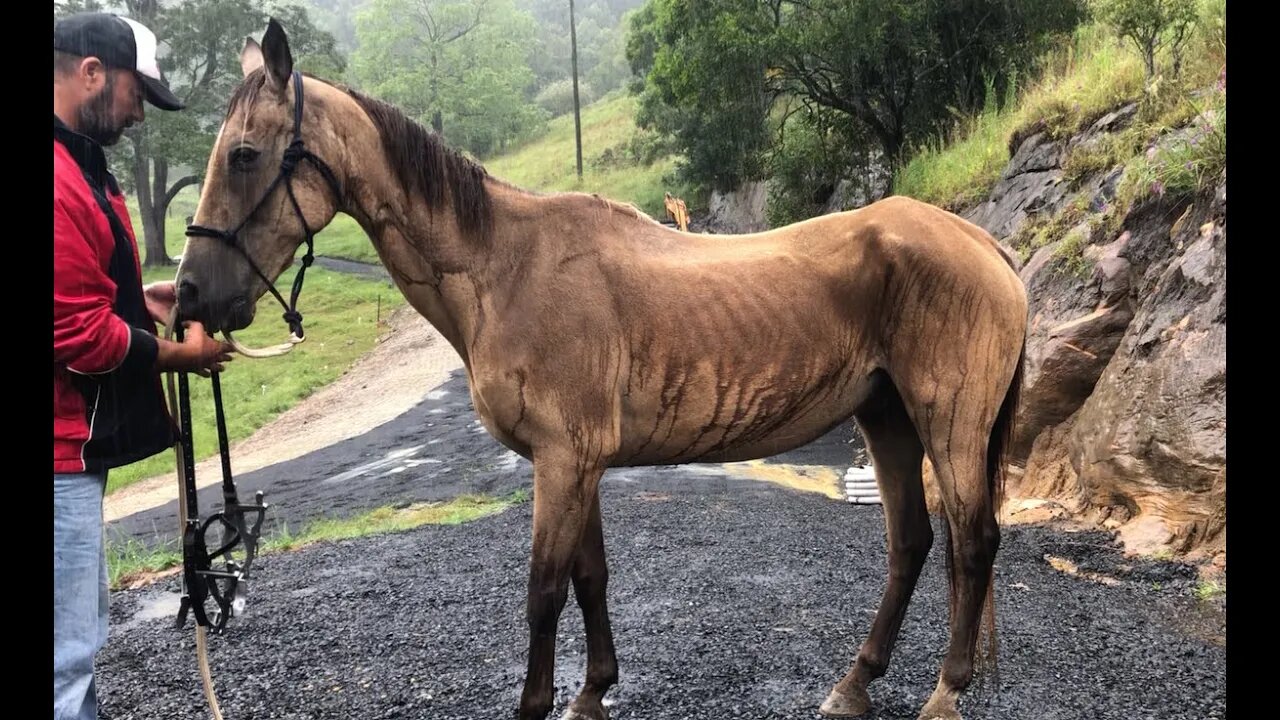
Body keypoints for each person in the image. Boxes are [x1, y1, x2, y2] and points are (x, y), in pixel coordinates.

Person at [54, 12, 233, 720]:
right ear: (92, 73)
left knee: (74, 638)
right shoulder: (60, 178)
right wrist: (182, 356)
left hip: (71, 449)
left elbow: (86, 291)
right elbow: (76, 335)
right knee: (66, 660)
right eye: (136, 94)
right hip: (58, 449)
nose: (137, 114)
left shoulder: (81, 165)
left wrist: (140, 298)